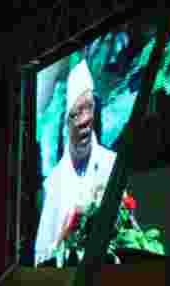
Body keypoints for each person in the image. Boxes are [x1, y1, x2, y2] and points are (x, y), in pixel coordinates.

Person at [35, 59, 117, 266]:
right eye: (77, 113)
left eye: (89, 108)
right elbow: (44, 252)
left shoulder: (111, 164)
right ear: (67, 122)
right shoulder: (54, 182)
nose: (84, 120)